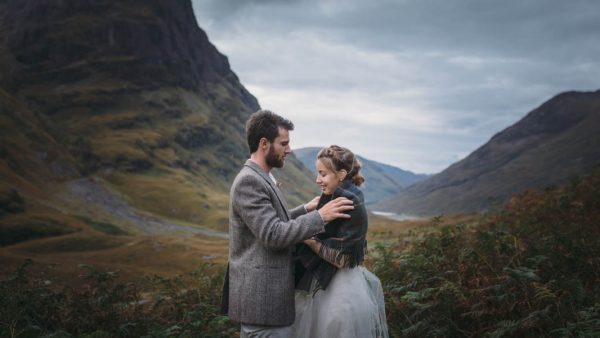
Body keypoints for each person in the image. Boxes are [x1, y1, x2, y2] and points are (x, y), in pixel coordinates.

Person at [221, 110, 354, 338]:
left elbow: (269, 224)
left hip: (268, 307)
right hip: (263, 307)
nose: (289, 150)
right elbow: (273, 234)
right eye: (284, 143)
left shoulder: (261, 178)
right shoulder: (250, 181)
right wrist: (321, 216)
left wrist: (305, 209)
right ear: (264, 144)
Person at [292, 145, 389, 338]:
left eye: (323, 174)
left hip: (340, 292)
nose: (317, 179)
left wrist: (310, 241)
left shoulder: (346, 200)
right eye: (317, 173)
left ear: (342, 174)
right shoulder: (335, 196)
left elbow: (343, 259)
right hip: (327, 285)